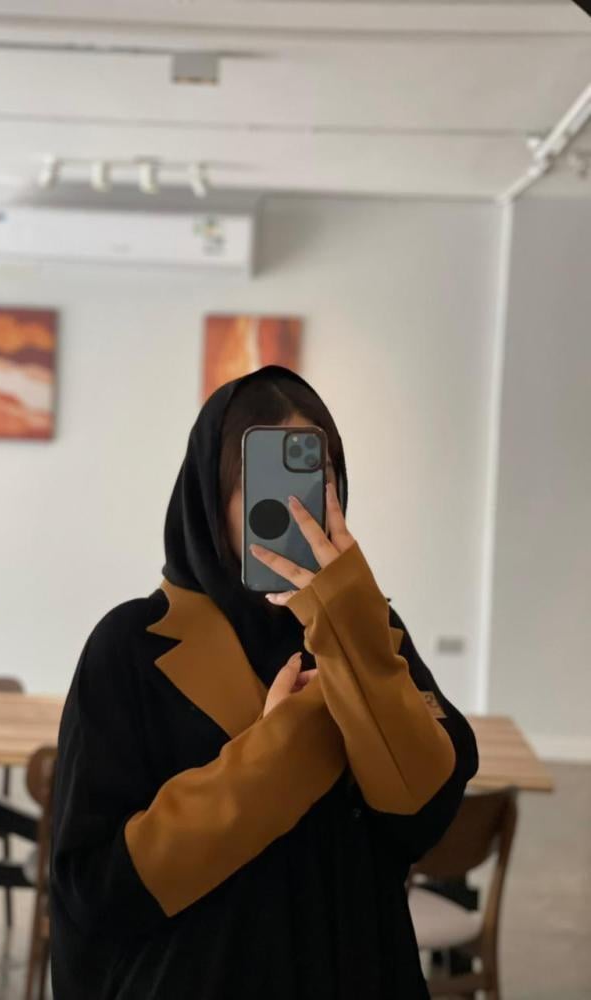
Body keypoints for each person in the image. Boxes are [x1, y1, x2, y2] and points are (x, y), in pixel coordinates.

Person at [50, 364, 479, 999]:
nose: (293, 507)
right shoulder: (133, 645)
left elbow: (422, 815)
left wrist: (350, 624)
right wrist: (281, 749)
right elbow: (96, 889)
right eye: (257, 482)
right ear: (208, 495)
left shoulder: (370, 627)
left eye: (316, 477)